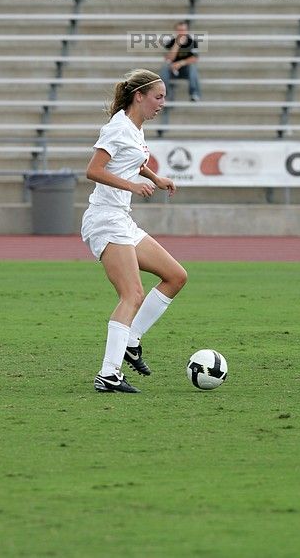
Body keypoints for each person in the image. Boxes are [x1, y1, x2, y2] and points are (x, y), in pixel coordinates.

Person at [81, 68, 188, 393]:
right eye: (158, 97)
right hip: (105, 220)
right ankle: (109, 374)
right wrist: (132, 184)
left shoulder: (133, 129)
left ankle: (131, 339)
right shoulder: (117, 128)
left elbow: (131, 160)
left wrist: (154, 178)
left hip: (121, 219)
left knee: (175, 276)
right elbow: (93, 170)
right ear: (138, 96)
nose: (162, 103)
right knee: (133, 294)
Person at [159, 21, 202, 102]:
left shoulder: (192, 42)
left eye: (183, 30)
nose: (181, 32)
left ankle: (194, 94)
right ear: (176, 31)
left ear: (187, 31)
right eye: (179, 30)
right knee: (165, 67)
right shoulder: (170, 42)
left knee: (193, 67)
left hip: (186, 70)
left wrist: (181, 63)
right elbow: (169, 59)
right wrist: (177, 44)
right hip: (172, 70)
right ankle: (164, 95)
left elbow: (195, 58)